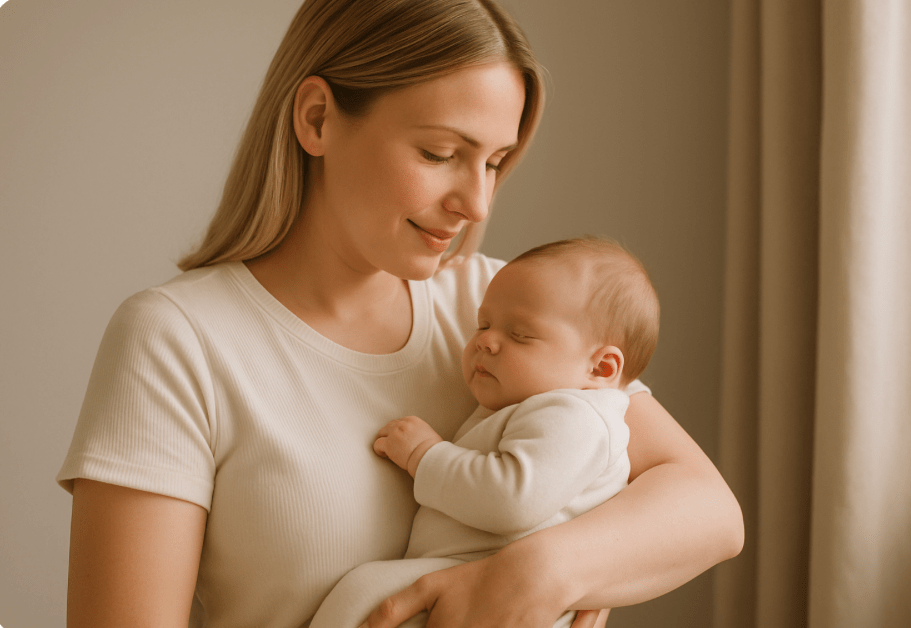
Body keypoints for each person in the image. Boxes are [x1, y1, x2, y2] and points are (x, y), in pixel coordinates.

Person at [57, 1, 744, 627]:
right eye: (440, 153)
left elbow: (710, 511)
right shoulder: (179, 340)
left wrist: (535, 574)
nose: (476, 203)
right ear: (317, 119)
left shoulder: (501, 308)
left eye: (495, 162)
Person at [309, 237, 660, 628]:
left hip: (495, 585)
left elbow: (513, 498)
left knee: (363, 593)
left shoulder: (577, 416)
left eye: (521, 335)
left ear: (602, 368)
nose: (486, 341)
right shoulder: (540, 404)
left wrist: (425, 455)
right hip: (476, 579)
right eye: (484, 324)